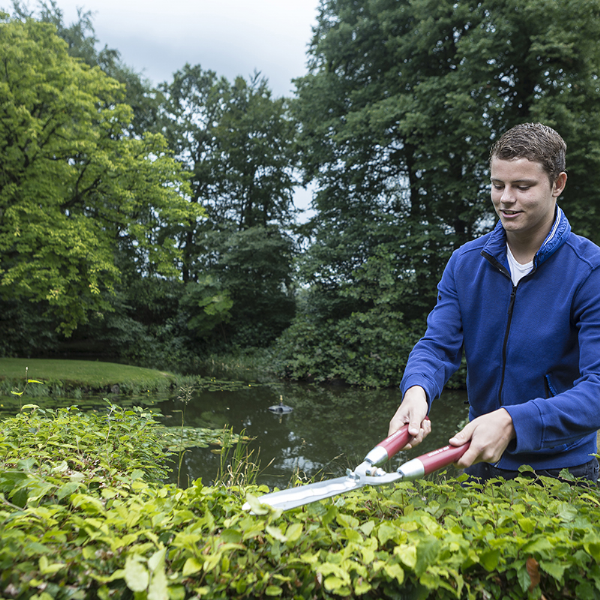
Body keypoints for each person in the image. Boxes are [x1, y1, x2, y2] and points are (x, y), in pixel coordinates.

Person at [388, 122, 600, 483]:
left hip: (564, 470)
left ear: (558, 185)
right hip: (477, 457)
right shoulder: (465, 263)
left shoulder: (590, 270)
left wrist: (515, 421)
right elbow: (437, 346)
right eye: (497, 185)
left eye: (522, 186)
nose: (505, 198)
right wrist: (416, 390)